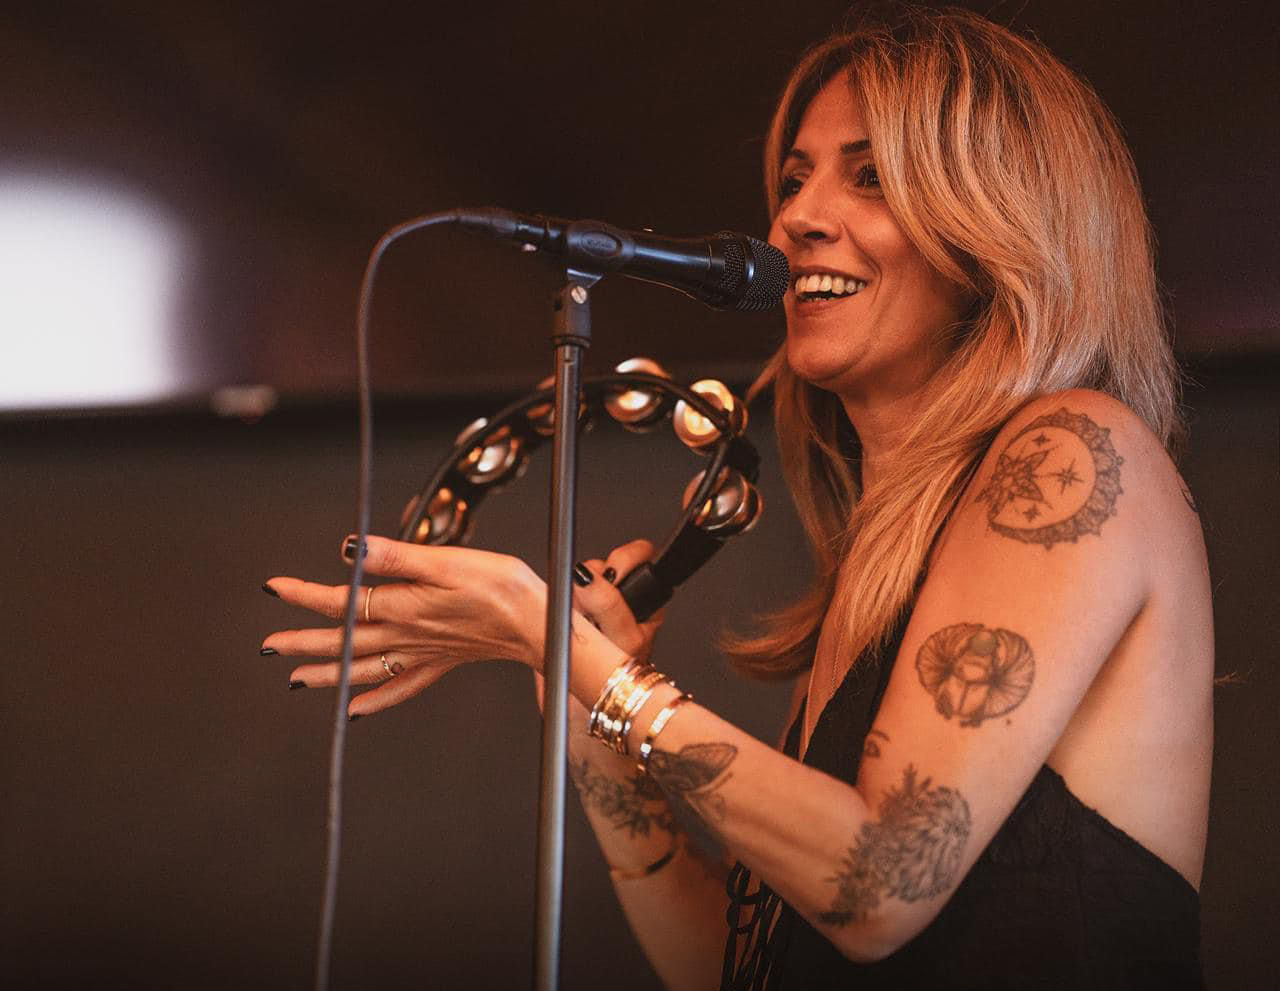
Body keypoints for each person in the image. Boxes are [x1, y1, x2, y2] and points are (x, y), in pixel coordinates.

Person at [262, 7, 1212, 988]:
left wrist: (560, 644)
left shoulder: (1075, 453)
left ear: (999, 219)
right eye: (794, 179)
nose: (796, 218)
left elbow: (878, 882)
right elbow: (740, 964)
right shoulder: (877, 571)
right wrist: (593, 724)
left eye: (870, 176)